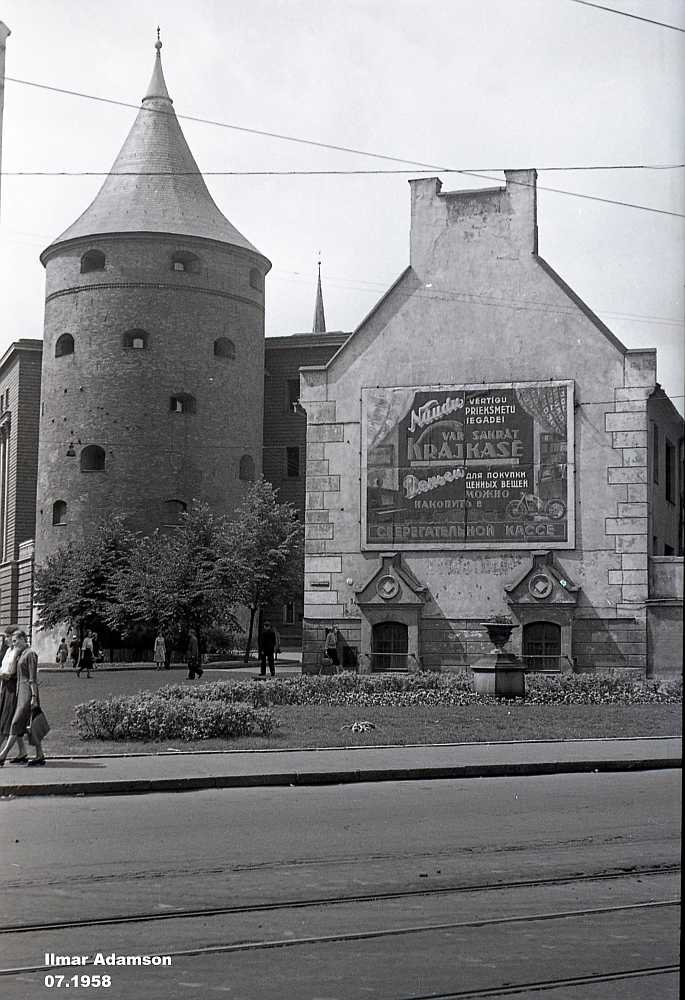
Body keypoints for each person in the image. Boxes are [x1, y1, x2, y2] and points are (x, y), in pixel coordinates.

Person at [0, 630, 46, 767]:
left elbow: (32, 678)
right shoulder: (22, 653)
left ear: (23, 639)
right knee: (26, 726)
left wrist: (34, 697)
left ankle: (2, 755)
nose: (13, 644)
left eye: (15, 641)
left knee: (15, 723)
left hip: (27, 692)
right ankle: (40, 755)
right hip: (20, 691)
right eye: (12, 641)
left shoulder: (30, 654)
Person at [0, 627, 19, 747]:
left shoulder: (17, 651)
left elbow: (11, 672)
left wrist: (3, 675)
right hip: (4, 686)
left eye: (8, 636)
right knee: (7, 718)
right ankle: (23, 752)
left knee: (7, 718)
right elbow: (3, 668)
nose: (6, 639)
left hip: (13, 686)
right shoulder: (8, 651)